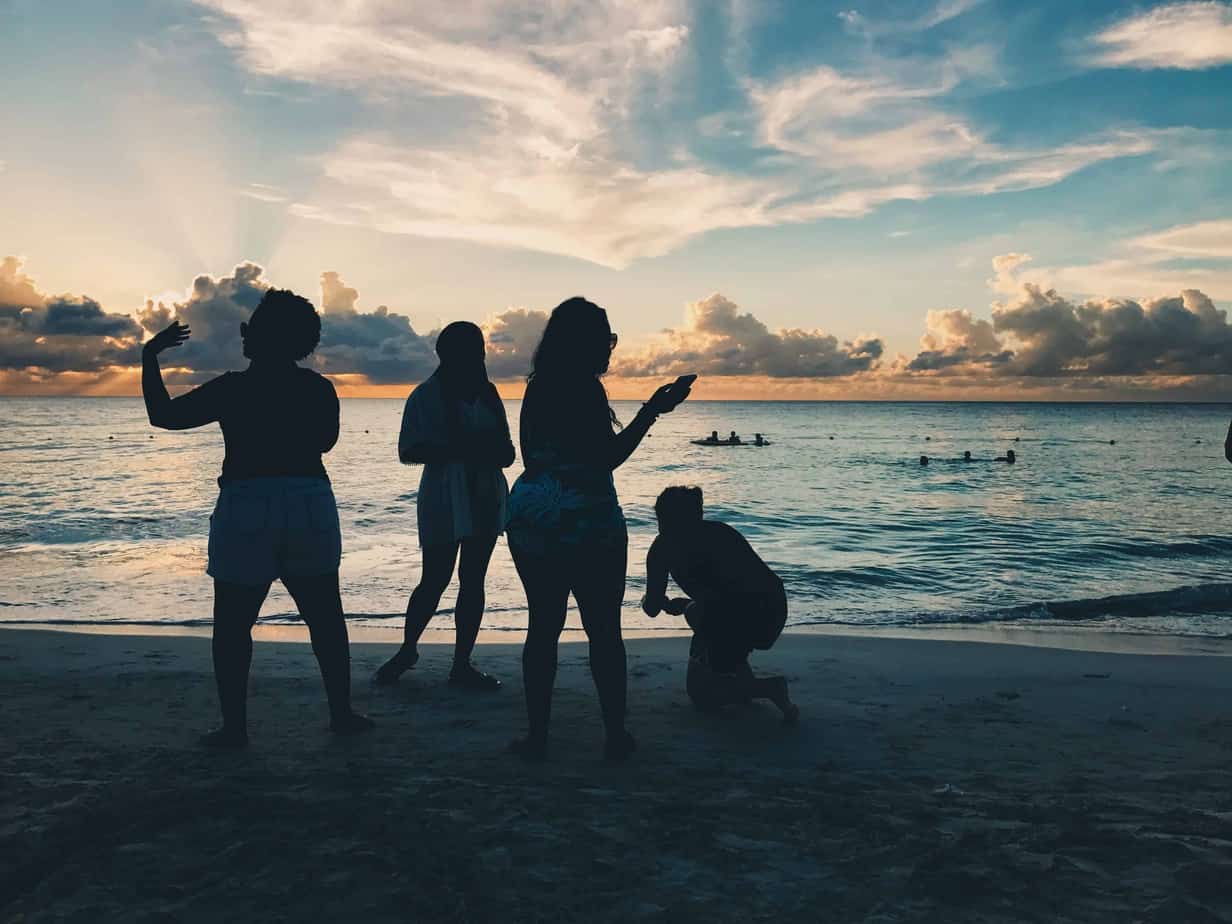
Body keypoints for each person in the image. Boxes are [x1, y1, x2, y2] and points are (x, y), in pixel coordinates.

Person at [141, 290, 372, 748]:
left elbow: (163, 416)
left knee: (232, 623)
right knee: (325, 616)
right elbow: (325, 442)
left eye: (251, 328)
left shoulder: (232, 388)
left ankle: (235, 727)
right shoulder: (319, 389)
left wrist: (150, 356)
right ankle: (340, 714)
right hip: (308, 500)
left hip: (247, 501)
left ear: (260, 337)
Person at [505, 297, 691, 761]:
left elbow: (533, 457)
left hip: (533, 514)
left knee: (542, 626)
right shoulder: (585, 390)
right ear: (584, 344)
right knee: (603, 630)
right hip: (587, 519)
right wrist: (652, 411)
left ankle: (537, 736)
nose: (609, 348)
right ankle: (614, 735)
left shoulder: (537, 387)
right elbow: (606, 458)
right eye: (605, 339)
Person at [375, 322, 515, 689]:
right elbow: (407, 451)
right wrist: (465, 447)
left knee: (473, 580)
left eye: (478, 350)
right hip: (442, 496)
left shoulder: (488, 394)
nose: (477, 358)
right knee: (434, 579)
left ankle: (461, 663)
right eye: (471, 351)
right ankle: (409, 649)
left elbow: (507, 452)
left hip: (484, 494)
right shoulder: (425, 396)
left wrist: (474, 448)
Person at [641, 487, 797, 723]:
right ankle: (744, 680)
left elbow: (652, 608)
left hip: (738, 617)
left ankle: (767, 689)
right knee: (701, 613)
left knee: (702, 697)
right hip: (773, 610)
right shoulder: (721, 533)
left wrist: (652, 600)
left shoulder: (663, 549)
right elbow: (739, 590)